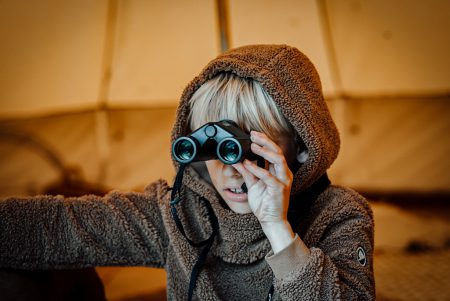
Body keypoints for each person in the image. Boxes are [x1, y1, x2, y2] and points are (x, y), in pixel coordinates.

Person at [0, 44, 375, 300]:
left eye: (246, 146)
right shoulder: (181, 213)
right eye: (213, 148)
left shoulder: (339, 216)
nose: (229, 169)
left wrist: (278, 228)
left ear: (302, 145)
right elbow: (61, 226)